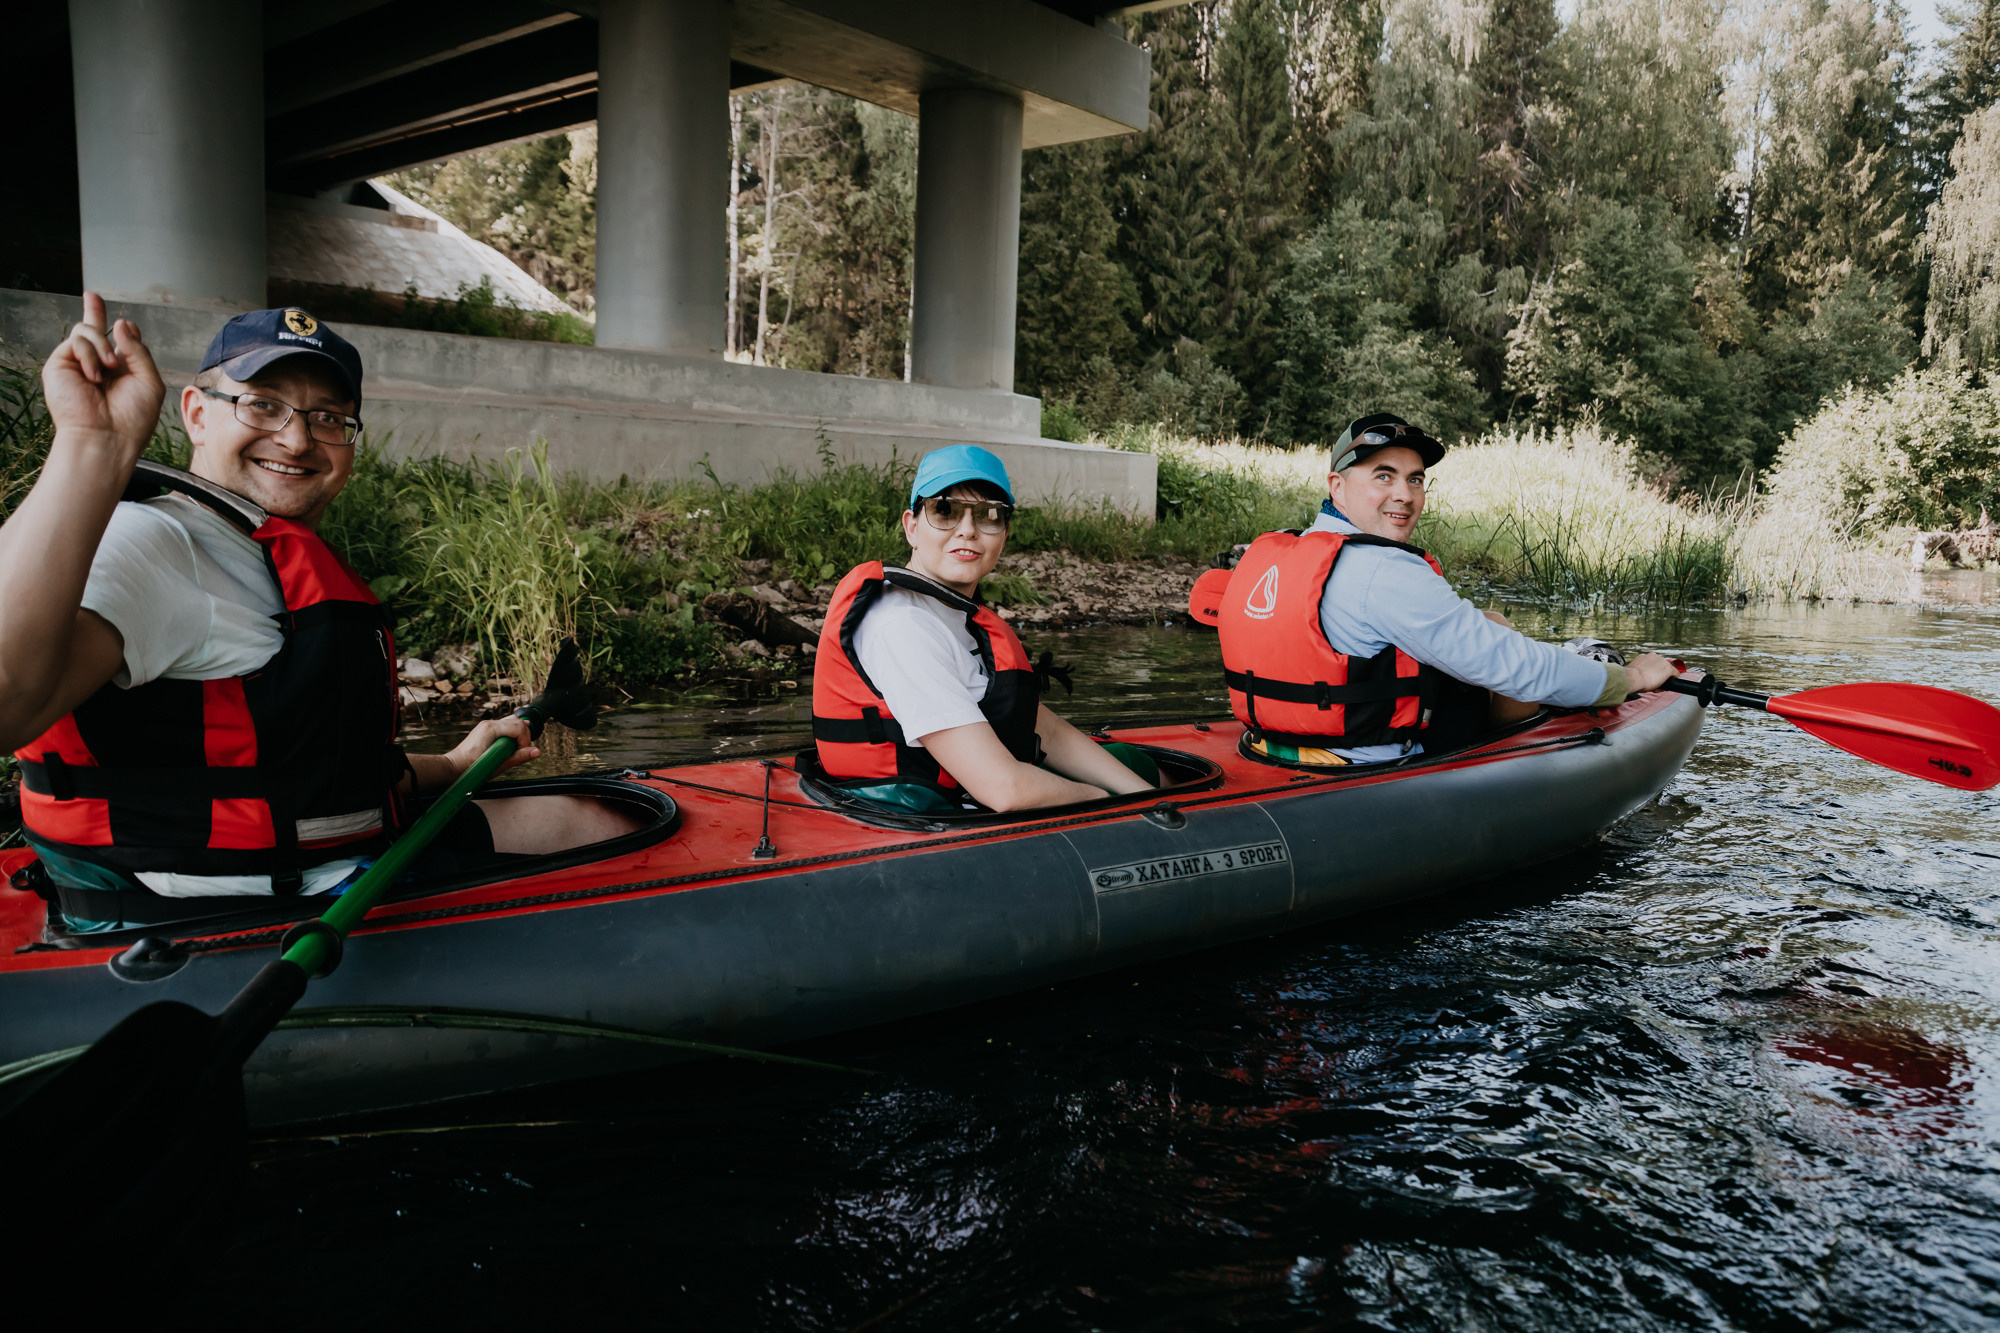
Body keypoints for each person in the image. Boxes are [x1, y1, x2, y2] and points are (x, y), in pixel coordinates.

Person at [0, 296, 640, 931]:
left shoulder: (251, 549)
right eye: (263, 404)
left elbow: (298, 781)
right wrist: (90, 447)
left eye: (329, 417)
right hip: (220, 916)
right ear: (196, 414)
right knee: (609, 839)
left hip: (305, 865)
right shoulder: (151, 541)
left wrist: (451, 764)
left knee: (590, 819)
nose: (299, 438)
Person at [1214, 413, 1683, 765]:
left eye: (1415, 479)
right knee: (1511, 664)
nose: (1405, 494)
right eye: (1384, 476)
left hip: (1267, 743)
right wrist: (1631, 681)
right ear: (1337, 486)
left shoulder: (1283, 549)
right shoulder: (1383, 570)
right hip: (1362, 761)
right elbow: (1511, 666)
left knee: (1491, 623)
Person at [811, 445, 1156, 812]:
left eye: (989, 516)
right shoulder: (902, 627)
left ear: (1004, 534)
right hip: (935, 816)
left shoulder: (956, 614)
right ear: (912, 527)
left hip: (975, 795)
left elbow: (1046, 730)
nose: (967, 531)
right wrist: (1109, 804)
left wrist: (1148, 797)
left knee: (1134, 765)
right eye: (944, 511)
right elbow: (1004, 790)